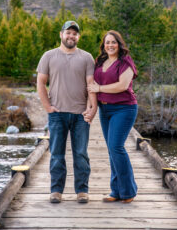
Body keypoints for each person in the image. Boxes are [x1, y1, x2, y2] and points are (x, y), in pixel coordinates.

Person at [37, 20, 97, 204]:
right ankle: (56, 190)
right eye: (68, 32)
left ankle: (82, 191)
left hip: (80, 115)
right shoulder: (48, 56)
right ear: (61, 34)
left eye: (74, 33)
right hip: (57, 114)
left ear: (78, 37)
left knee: (81, 153)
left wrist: (91, 108)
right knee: (56, 153)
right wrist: (48, 107)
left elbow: (91, 85)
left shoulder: (87, 57)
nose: (71, 36)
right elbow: (40, 83)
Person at [87, 30, 138, 203]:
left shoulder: (125, 62)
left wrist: (99, 89)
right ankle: (115, 191)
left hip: (124, 108)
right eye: (107, 42)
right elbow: (91, 85)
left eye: (113, 42)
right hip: (105, 110)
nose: (110, 45)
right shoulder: (100, 61)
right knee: (111, 150)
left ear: (119, 44)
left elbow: (122, 85)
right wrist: (91, 107)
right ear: (104, 45)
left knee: (116, 147)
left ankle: (128, 191)